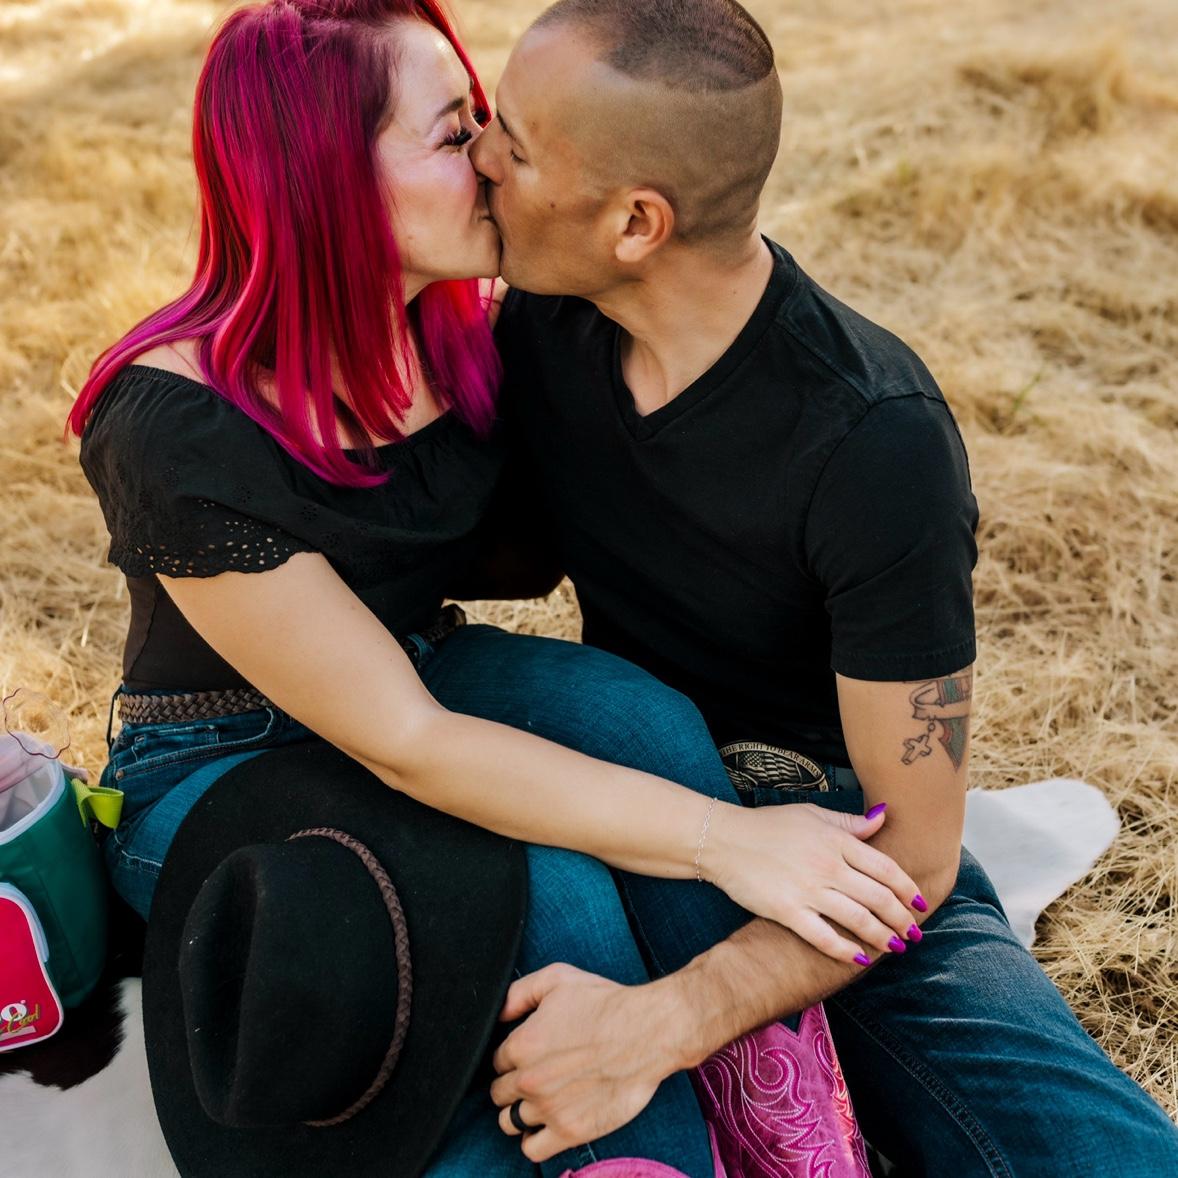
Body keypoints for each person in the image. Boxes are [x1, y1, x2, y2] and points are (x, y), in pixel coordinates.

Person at [68, 2, 925, 1175]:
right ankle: (640, 1155)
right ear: (324, 181)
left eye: (480, 119)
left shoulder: (464, 333)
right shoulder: (176, 424)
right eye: (450, 131)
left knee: (640, 718)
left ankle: (770, 1105)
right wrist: (721, 836)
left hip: (416, 665)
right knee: (533, 869)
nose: (486, 156)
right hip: (224, 755)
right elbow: (408, 742)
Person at [463, 0, 1178, 1174]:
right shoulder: (544, 326)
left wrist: (664, 1022)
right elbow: (516, 556)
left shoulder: (875, 442)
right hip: (627, 793)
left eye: (516, 143)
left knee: (1083, 1149)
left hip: (842, 847)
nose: (480, 155)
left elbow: (916, 860)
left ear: (635, 222)